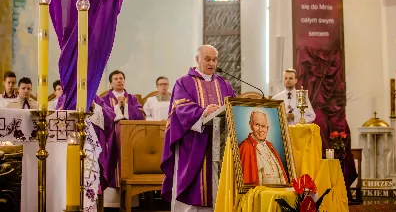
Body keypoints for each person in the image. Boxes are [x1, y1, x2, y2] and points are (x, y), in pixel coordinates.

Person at [161, 45, 236, 211]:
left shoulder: (224, 84)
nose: (212, 63)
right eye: (207, 59)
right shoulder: (184, 82)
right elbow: (180, 109)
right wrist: (203, 112)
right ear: (197, 59)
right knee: (192, 191)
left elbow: (234, 107)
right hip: (193, 144)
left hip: (220, 144)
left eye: (214, 59)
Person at [101, 70, 145, 208]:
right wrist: (117, 107)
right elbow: (102, 115)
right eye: (116, 79)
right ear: (111, 83)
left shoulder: (132, 98)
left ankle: (131, 202)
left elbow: (141, 114)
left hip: (129, 139)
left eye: (121, 78)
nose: (119, 81)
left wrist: (125, 106)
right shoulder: (104, 98)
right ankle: (111, 203)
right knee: (113, 166)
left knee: (127, 165)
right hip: (111, 139)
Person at [238, 110, 288, 185]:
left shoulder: (270, 146)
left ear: (267, 128)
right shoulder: (245, 146)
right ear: (250, 125)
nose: (260, 130)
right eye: (257, 125)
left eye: (263, 126)